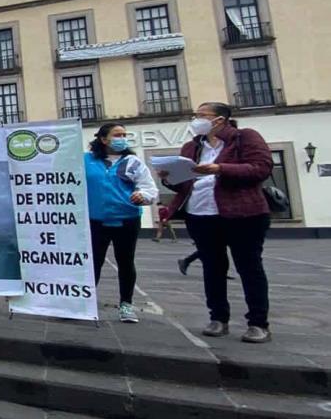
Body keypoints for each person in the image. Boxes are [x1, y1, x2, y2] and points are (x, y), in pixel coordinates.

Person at [162, 102, 274, 343]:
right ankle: (218, 318)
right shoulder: (192, 147)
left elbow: (261, 168)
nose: (196, 120)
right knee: (212, 268)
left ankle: (257, 322)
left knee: (249, 267)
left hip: (243, 214)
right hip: (200, 214)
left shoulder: (244, 138)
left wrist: (219, 168)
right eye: (195, 115)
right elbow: (185, 183)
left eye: (202, 116)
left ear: (220, 120)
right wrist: (169, 178)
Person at [85, 123, 157, 323]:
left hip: (126, 220)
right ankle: (86, 303)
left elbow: (149, 188)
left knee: (125, 262)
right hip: (95, 221)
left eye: (124, 135)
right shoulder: (86, 161)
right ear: (103, 139)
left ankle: (126, 304)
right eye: (117, 135)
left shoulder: (132, 162)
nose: (122, 138)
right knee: (93, 264)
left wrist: (142, 195)